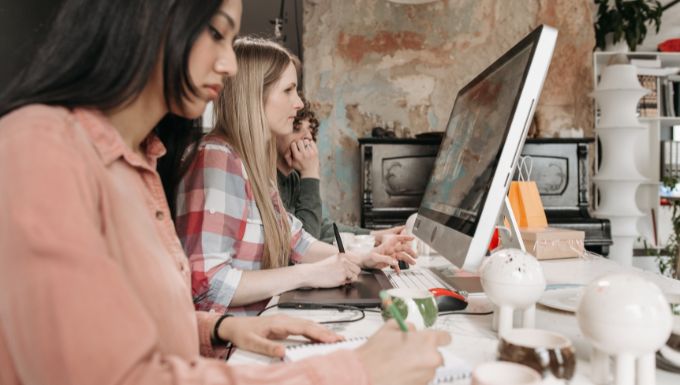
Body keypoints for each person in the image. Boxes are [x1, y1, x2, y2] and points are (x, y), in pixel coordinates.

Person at [0, 1, 450, 384]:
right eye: (217, 33)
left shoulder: (140, 162)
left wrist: (219, 328)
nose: (230, 63)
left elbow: (128, 324)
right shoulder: (40, 149)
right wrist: (354, 370)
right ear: (147, 17)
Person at [166, 37, 417, 315]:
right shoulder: (216, 158)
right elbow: (207, 284)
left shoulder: (253, 165)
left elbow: (297, 240)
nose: (298, 103)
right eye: (288, 90)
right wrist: (309, 274)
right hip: (231, 350)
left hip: (265, 325)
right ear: (253, 95)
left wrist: (364, 258)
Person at [276, 97, 405, 244]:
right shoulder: (270, 180)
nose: (308, 138)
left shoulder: (293, 179)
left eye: (311, 131)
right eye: (297, 128)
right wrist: (310, 173)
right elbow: (305, 244)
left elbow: (320, 227)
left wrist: (374, 235)